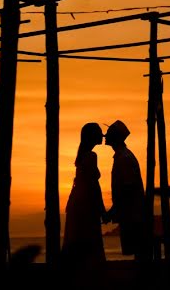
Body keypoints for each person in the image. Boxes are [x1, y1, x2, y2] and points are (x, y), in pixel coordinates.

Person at [61, 122, 108, 285]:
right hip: (86, 205)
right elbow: (94, 186)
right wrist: (102, 210)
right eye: (99, 134)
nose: (102, 137)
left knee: (77, 240)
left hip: (77, 203)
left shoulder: (82, 156)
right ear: (92, 136)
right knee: (90, 240)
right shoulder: (91, 156)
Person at [105, 120, 150, 261]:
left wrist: (113, 210)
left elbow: (127, 189)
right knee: (138, 251)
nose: (106, 137)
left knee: (139, 251)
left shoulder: (124, 158)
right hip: (131, 212)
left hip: (133, 214)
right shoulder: (123, 156)